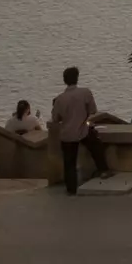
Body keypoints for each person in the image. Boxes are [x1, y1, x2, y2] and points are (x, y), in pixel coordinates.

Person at [53, 66, 111, 194]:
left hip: (67, 134)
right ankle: (103, 170)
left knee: (69, 163)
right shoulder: (85, 92)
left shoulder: (59, 99)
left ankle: (71, 189)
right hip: (82, 130)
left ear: (64, 80)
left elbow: (55, 118)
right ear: (77, 78)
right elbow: (93, 110)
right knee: (96, 147)